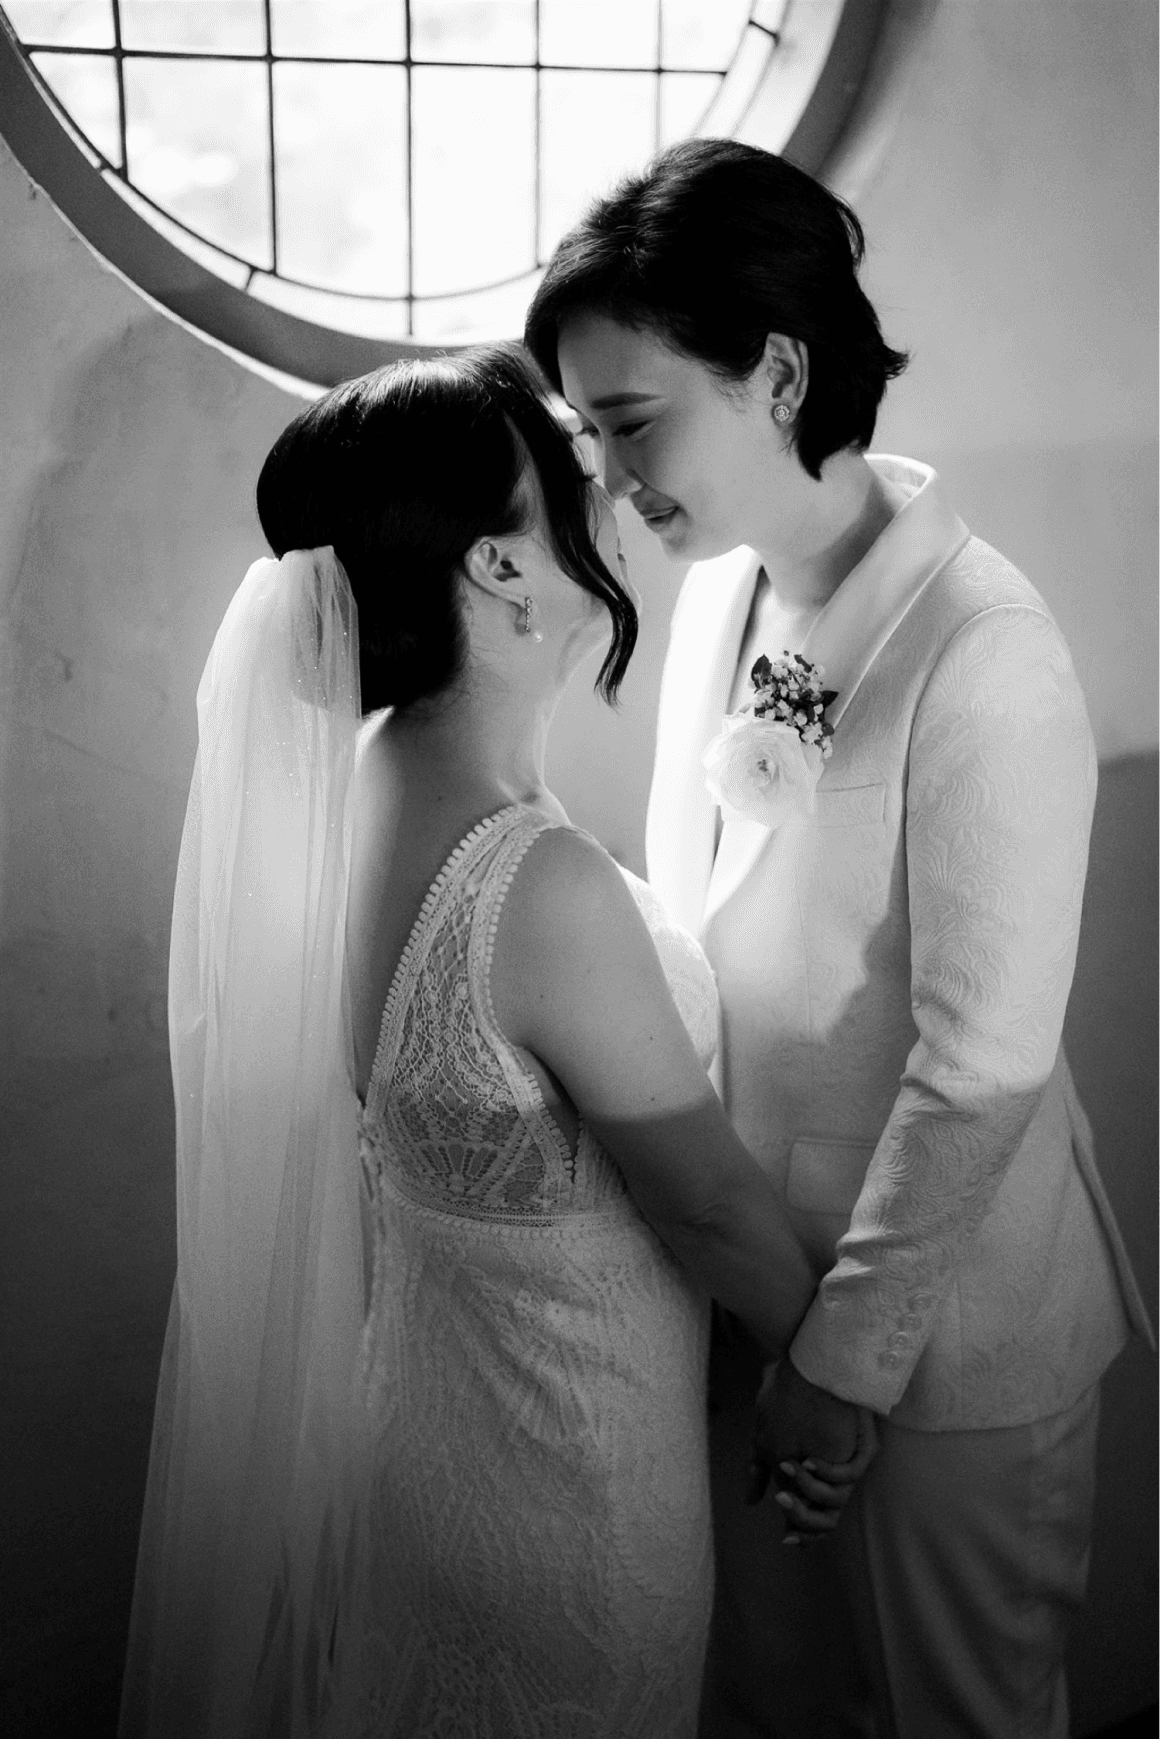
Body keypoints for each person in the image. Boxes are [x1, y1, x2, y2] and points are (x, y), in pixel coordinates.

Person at [118, 343, 876, 1739]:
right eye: (572, 468)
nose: (612, 488)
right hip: (573, 1499)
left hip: (425, 1449)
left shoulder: (369, 783)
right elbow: (707, 1207)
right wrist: (834, 1380)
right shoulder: (539, 886)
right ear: (499, 566)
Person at [525, 139, 1155, 1739]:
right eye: (591, 436)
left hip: (944, 1338)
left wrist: (840, 1360)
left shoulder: (985, 647)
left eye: (633, 422)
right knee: (775, 1701)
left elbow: (983, 1061)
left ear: (780, 373)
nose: (611, 478)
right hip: (754, 1294)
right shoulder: (719, 596)